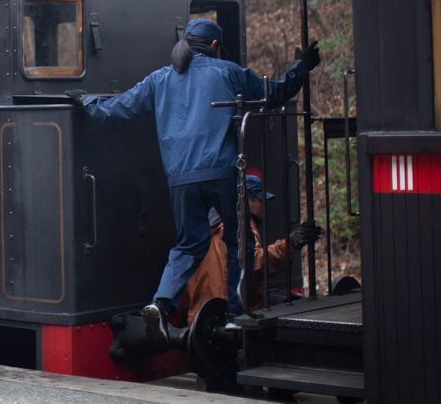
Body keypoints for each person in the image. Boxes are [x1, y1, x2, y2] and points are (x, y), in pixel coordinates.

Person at [65, 18, 319, 349]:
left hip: (181, 179)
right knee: (237, 243)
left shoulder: (160, 79)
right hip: (222, 172)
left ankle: (161, 304)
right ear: (214, 46)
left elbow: (117, 109)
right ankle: (234, 314)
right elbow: (276, 92)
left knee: (188, 244)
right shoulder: (227, 72)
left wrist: (86, 101)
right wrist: (301, 66)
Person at [184, 173, 323, 325]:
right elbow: (253, 264)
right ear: (246, 200)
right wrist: (289, 245)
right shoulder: (239, 226)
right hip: (230, 317)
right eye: (261, 201)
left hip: (203, 317)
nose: (263, 207)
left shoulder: (207, 227)